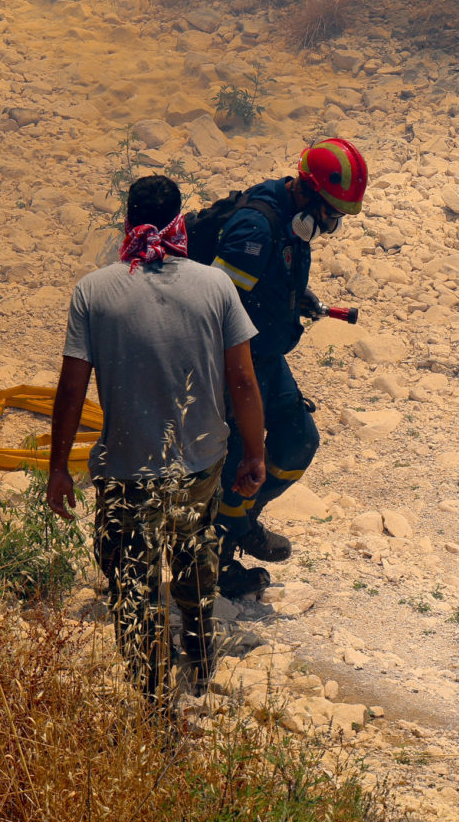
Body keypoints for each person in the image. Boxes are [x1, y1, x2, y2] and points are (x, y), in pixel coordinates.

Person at [47, 174, 266, 703]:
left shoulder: (93, 291)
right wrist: (255, 452)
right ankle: (200, 666)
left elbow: (72, 386)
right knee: (194, 570)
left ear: (127, 221)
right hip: (199, 465)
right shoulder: (215, 287)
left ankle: (151, 698)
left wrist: (58, 467)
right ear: (178, 222)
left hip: (125, 471)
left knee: (132, 587)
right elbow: (242, 379)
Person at [207, 136, 369, 599]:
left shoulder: (293, 227)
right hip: (234, 363)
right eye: (331, 215)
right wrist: (233, 392)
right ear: (307, 194)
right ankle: (217, 558)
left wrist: (296, 300)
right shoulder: (254, 230)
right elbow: (216, 308)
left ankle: (240, 521)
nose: (332, 225)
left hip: (265, 356)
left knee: (299, 442)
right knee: (238, 458)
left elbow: (266, 284)